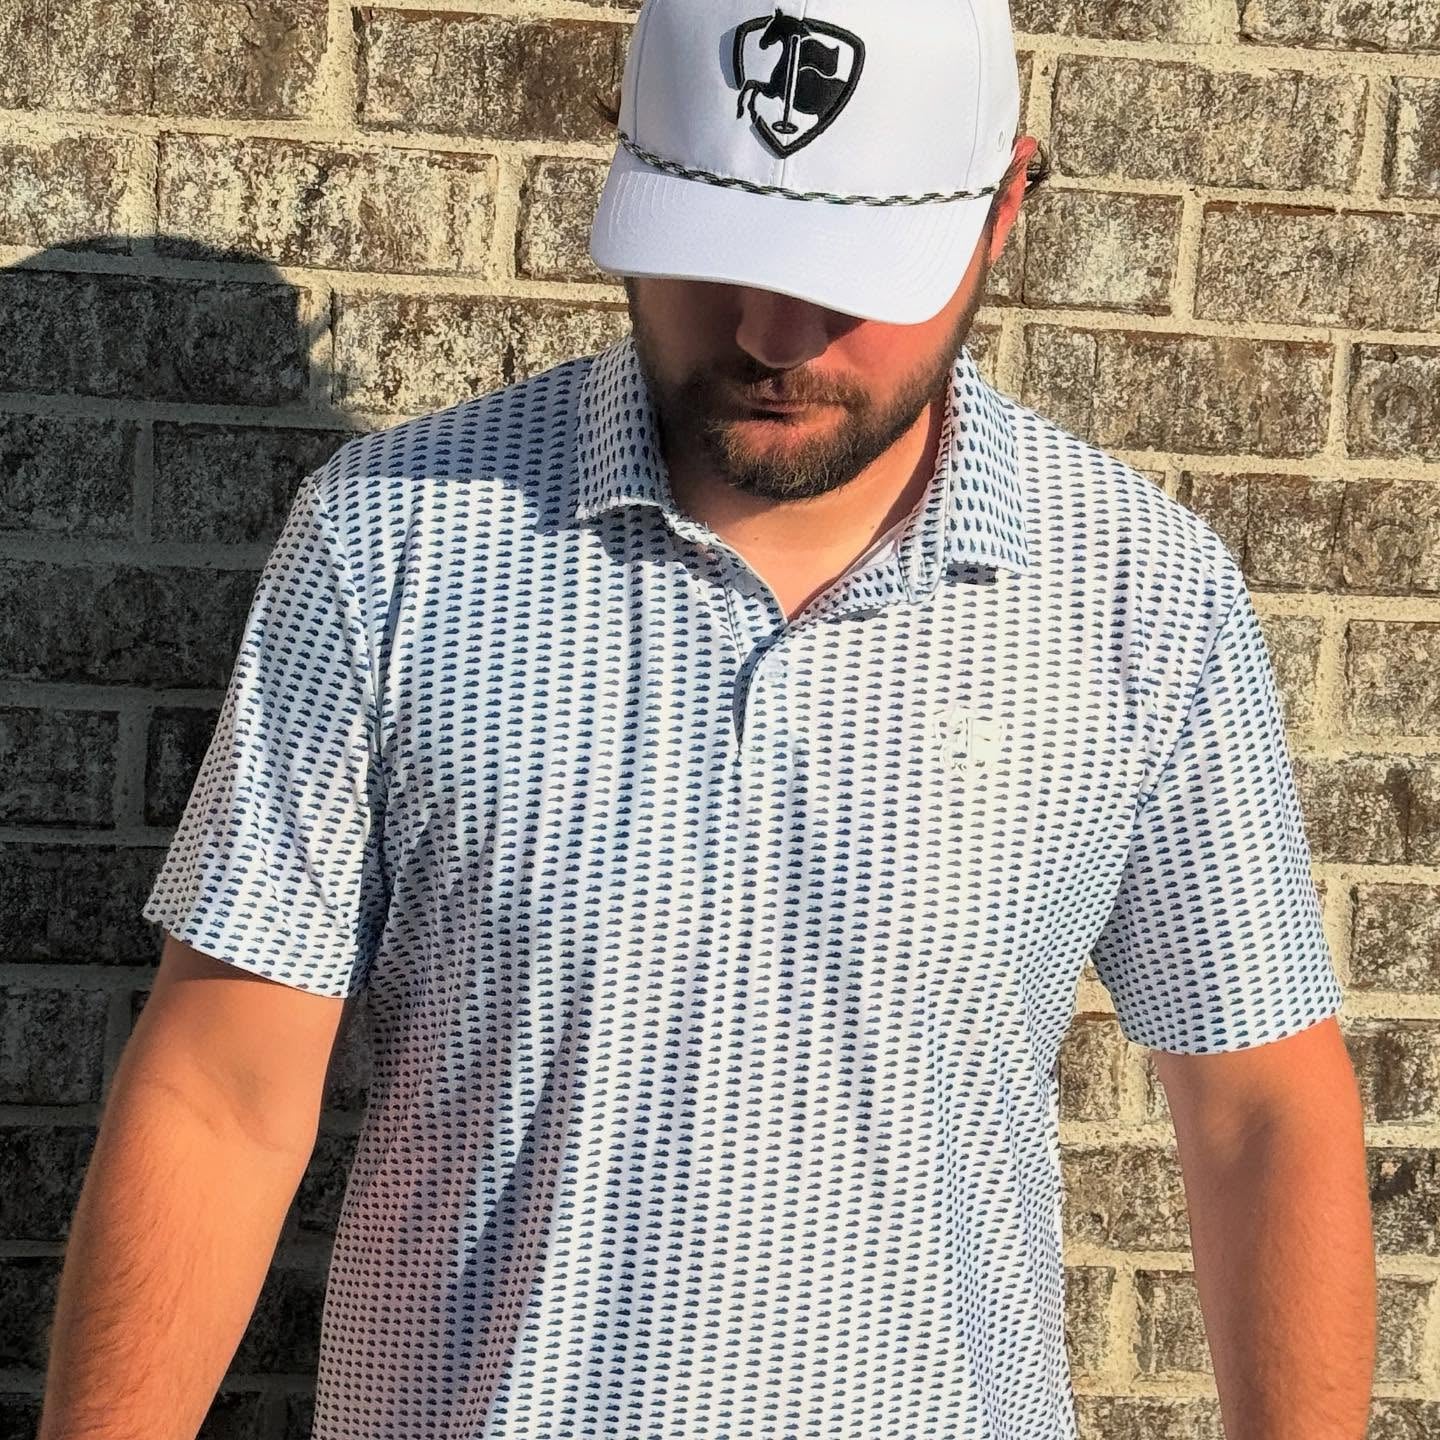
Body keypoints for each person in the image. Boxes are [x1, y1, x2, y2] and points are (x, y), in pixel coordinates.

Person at [40, 1, 1375, 1438]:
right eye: (719, 244)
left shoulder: (1140, 597)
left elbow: (1259, 1117)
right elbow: (222, 1093)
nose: (770, 329)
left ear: (1003, 210)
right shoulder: (397, 545)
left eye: (851, 269)